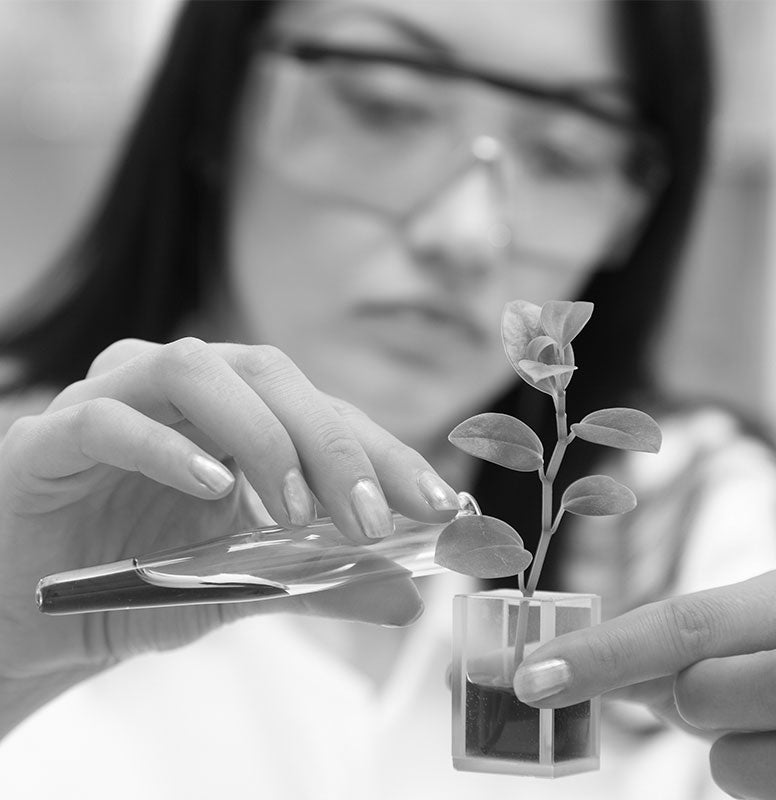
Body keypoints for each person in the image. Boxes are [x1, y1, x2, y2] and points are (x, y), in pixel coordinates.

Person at [0, 1, 773, 798]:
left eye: (566, 156)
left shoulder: (706, 524)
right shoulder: (23, 509)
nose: (467, 233)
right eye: (383, 105)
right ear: (215, 102)